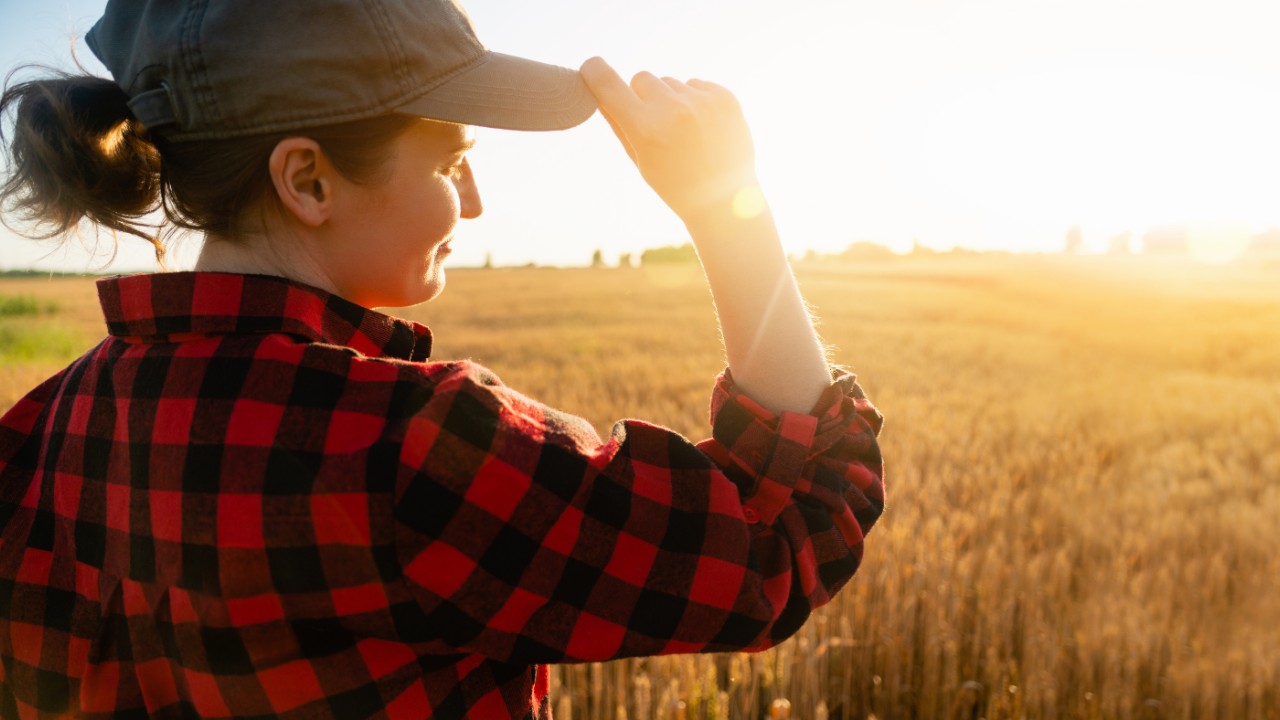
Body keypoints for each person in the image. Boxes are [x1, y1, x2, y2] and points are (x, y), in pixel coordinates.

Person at [0, 0, 886, 717]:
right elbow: (780, 535)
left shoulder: (43, 426)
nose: (476, 201)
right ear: (307, 180)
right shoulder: (414, 447)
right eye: (452, 161)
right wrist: (726, 204)